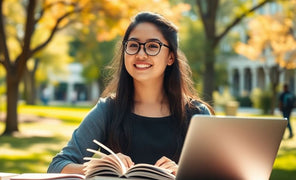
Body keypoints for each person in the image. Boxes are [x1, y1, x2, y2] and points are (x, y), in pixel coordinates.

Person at [47, 11, 214, 175]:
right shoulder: (107, 110)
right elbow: (57, 166)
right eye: (133, 45)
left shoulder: (197, 114)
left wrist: (184, 174)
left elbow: (219, 172)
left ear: (170, 57)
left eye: (153, 46)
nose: (141, 54)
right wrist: (100, 167)